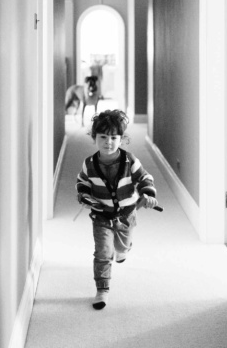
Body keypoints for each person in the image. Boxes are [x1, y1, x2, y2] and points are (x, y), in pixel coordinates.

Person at [76, 109, 158, 310]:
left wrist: (148, 194)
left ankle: (123, 249)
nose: (108, 142)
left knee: (121, 247)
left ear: (122, 139)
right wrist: (84, 196)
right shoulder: (89, 164)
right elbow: (82, 183)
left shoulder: (130, 161)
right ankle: (102, 289)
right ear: (94, 137)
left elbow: (144, 178)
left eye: (114, 137)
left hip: (126, 213)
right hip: (101, 215)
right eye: (103, 137)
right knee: (103, 252)